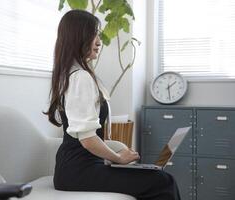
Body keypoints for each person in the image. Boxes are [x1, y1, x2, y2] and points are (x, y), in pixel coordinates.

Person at [44, 9, 181, 200]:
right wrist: (117, 158)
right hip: (78, 171)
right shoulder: (80, 77)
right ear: (78, 37)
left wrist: (115, 153)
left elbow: (86, 137)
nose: (99, 42)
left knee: (159, 178)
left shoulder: (69, 74)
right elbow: (87, 139)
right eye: (94, 35)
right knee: (163, 182)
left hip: (76, 167)